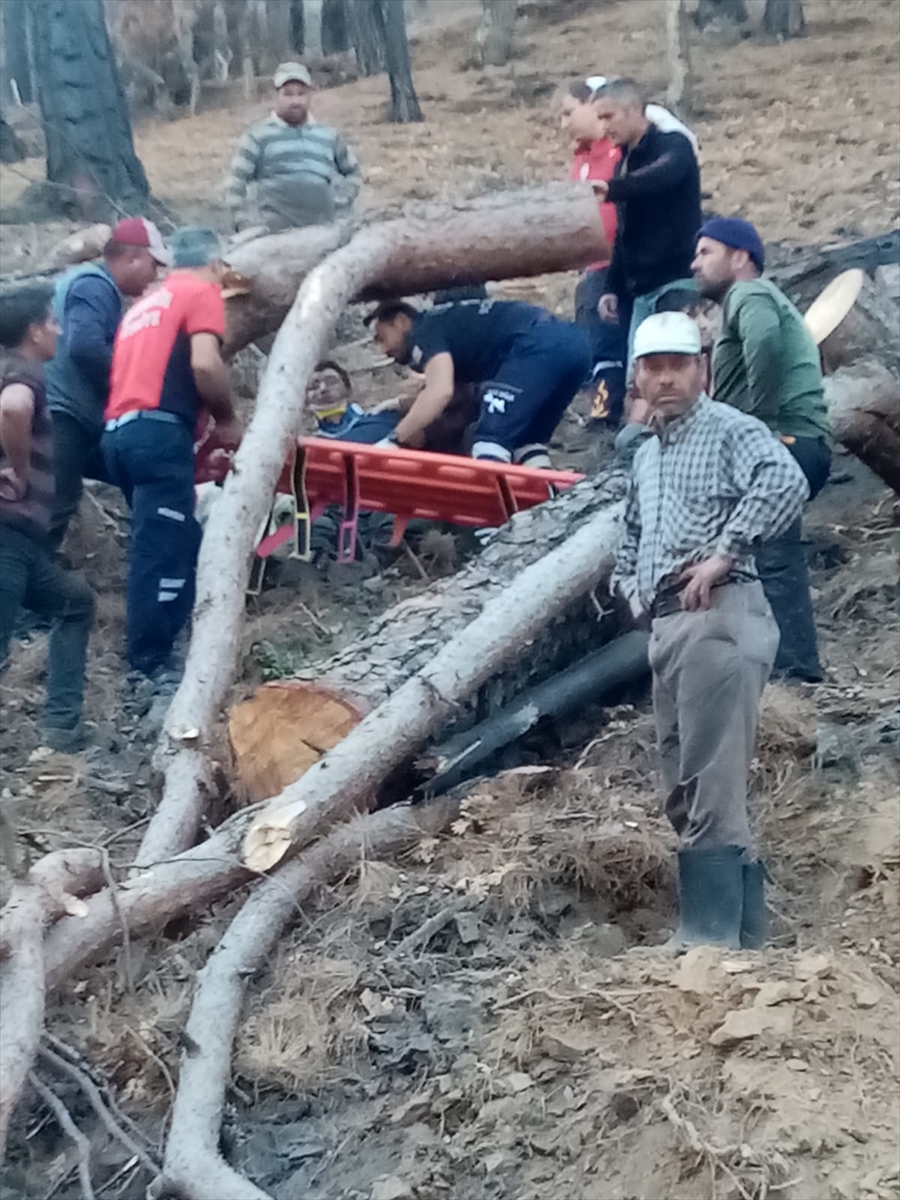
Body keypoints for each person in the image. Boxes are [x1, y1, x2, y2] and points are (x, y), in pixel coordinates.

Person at [610, 312, 808, 949]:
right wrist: (631, 588)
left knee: (711, 781)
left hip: (721, 613)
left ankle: (710, 937)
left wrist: (726, 550)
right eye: (654, 367)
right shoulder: (648, 453)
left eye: (679, 365)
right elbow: (632, 531)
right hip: (668, 624)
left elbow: (786, 480)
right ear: (637, 377)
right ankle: (746, 938)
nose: (666, 379)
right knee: (684, 781)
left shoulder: (730, 430)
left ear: (702, 370)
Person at [102, 227, 243, 696]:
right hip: (159, 433)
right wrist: (227, 419)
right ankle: (149, 664)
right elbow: (205, 364)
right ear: (217, 265)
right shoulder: (200, 290)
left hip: (120, 433)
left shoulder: (142, 306)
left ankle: (178, 637)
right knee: (158, 548)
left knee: (181, 537)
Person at [692, 216, 831, 682]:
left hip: (785, 442)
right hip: (794, 442)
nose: (696, 263)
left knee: (772, 558)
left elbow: (766, 343)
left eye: (706, 252)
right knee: (766, 555)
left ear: (741, 257)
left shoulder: (749, 295)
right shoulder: (747, 302)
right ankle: (777, 666)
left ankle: (795, 673)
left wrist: (761, 428)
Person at [0, 283, 95, 751]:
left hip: (22, 545)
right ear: (35, 331)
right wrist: (18, 473)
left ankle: (61, 729)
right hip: (6, 537)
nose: (59, 330)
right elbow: (13, 408)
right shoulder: (24, 374)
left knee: (75, 602)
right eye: (53, 322)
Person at [45, 217, 168, 553]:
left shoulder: (95, 286)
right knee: (56, 503)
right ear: (133, 258)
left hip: (75, 410)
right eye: (153, 265)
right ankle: (24, 588)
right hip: (64, 410)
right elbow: (85, 347)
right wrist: (131, 382)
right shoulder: (94, 285)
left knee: (128, 471)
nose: (154, 276)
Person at [367, 298, 591, 466]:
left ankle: (495, 524)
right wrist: (401, 404)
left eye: (382, 338)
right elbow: (454, 393)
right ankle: (544, 512)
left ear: (401, 321)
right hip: (575, 346)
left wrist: (394, 439)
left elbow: (440, 391)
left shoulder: (424, 331)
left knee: (489, 440)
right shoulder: (453, 324)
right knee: (527, 442)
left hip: (535, 346)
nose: (383, 350)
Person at [591, 78, 702, 370]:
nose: (604, 127)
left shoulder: (674, 144)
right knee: (639, 382)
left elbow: (660, 176)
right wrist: (611, 286)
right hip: (639, 292)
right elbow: (623, 231)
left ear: (633, 108)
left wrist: (613, 188)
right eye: (599, 119)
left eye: (608, 117)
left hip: (677, 283)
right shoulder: (624, 162)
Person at [558, 79, 626, 426]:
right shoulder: (580, 160)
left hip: (623, 262)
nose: (564, 123)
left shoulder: (620, 152)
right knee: (594, 343)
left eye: (569, 112)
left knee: (610, 343)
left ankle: (608, 414)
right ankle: (601, 409)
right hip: (591, 268)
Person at [225, 62, 361, 234]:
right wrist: (242, 222)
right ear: (275, 96)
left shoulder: (329, 136)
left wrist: (340, 202)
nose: (295, 101)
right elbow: (235, 183)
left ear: (310, 96)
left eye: (301, 94)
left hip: (323, 233)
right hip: (272, 236)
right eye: (288, 94)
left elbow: (354, 173)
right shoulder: (257, 136)